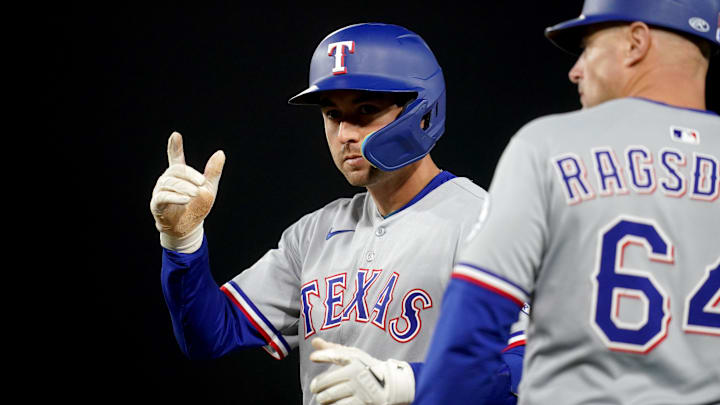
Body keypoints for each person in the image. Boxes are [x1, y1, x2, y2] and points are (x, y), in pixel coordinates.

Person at [150, 23, 526, 405]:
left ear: (423, 114)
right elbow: (209, 336)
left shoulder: (481, 221)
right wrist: (182, 242)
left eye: (365, 111)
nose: (345, 133)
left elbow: (530, 367)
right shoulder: (314, 233)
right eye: (333, 114)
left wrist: (406, 384)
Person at [415, 0, 720, 404]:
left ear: (636, 42)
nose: (575, 70)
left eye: (588, 48)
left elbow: (471, 328)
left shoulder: (548, 145)